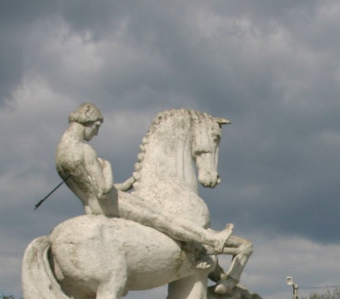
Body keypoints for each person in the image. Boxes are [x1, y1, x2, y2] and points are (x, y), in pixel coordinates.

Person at [55, 103, 233, 256]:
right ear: (88, 121)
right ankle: (211, 239)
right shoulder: (86, 151)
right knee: (162, 218)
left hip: (89, 203)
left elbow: (91, 186)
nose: (96, 133)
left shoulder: (63, 152)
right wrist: (107, 167)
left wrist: (127, 184)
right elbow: (103, 188)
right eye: (96, 127)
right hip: (107, 201)